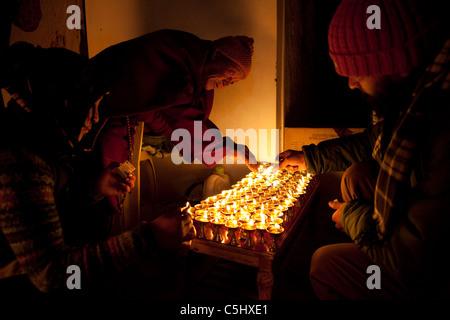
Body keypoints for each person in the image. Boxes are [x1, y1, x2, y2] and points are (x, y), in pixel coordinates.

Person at [278, 0, 449, 299]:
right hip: (419, 234)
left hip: (431, 269)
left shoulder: (443, 123)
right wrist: (309, 158)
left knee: (324, 263)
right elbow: (374, 140)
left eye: (359, 71)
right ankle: (369, 246)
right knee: (356, 175)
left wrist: (352, 217)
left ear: (398, 62)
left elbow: (412, 258)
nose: (351, 83)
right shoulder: (416, 99)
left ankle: (369, 261)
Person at [0, 42, 194, 296]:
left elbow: (48, 207)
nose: (94, 118)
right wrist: (149, 237)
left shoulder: (45, 141)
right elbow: (52, 273)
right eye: (90, 105)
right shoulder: (19, 159)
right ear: (64, 102)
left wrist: (92, 188)